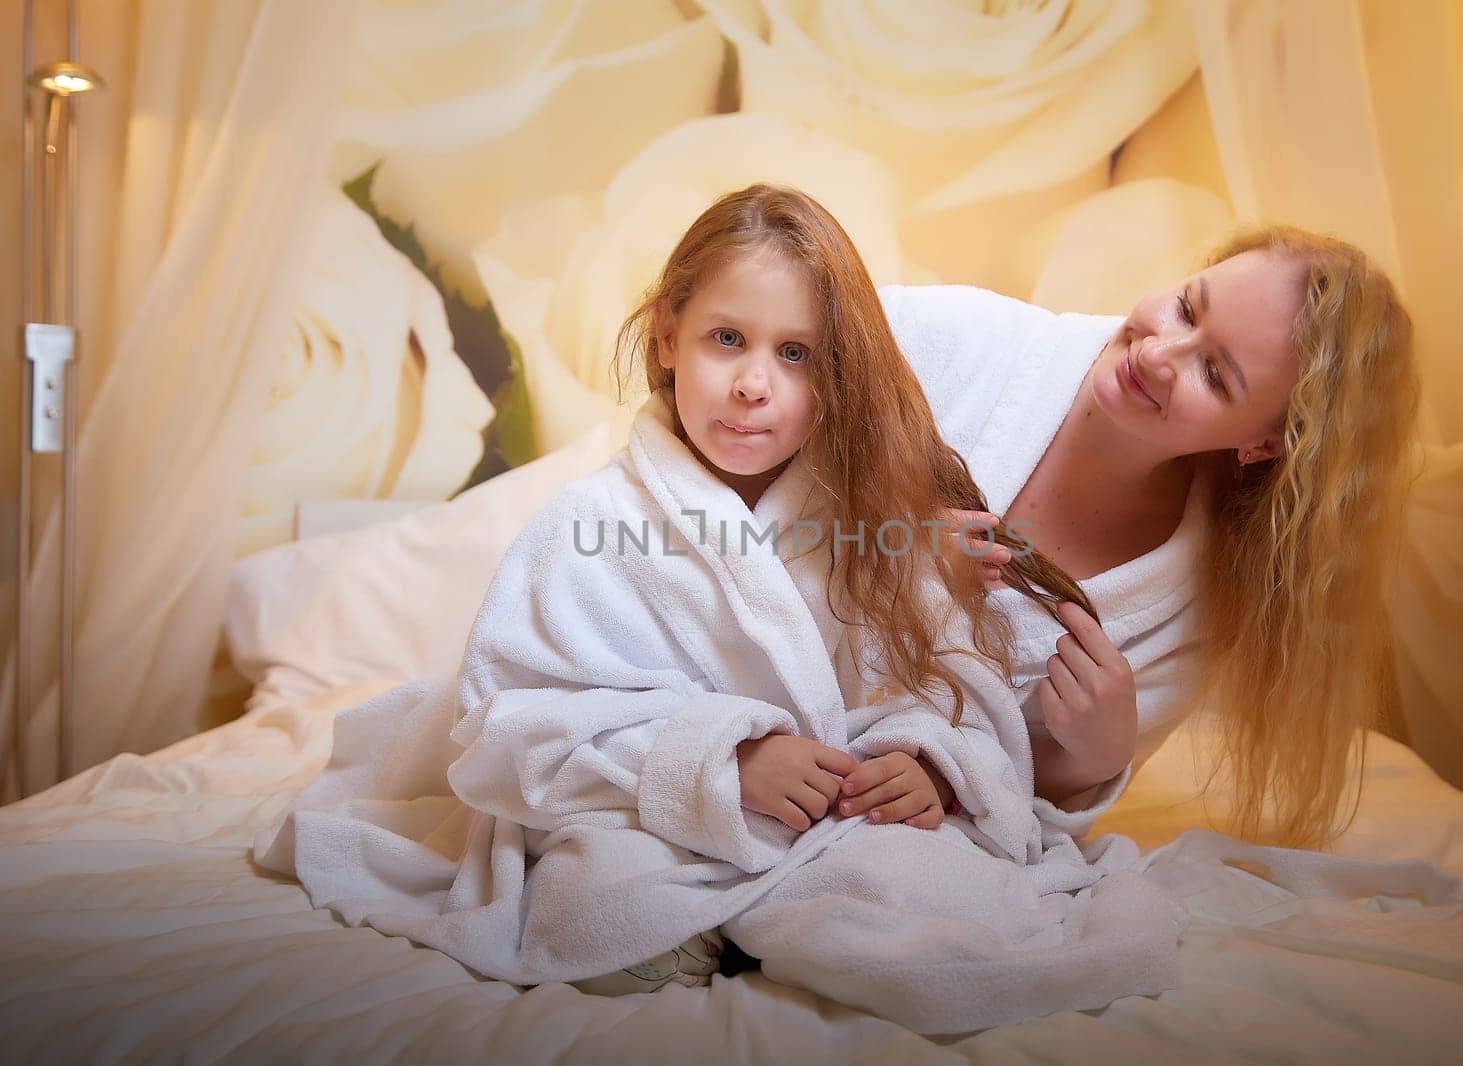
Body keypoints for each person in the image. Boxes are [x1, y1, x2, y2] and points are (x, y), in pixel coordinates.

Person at [258, 185, 1187, 1032]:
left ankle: (778, 923)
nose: (754, 384)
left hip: (828, 825)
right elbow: (513, 729)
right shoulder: (593, 525)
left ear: (839, 376)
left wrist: (929, 768)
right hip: (645, 816)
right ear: (668, 335)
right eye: (727, 340)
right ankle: (700, 927)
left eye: (796, 356)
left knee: (934, 881)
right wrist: (721, 760)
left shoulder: (881, 530)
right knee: (598, 890)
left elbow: (957, 690)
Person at [884, 225, 1420, 847]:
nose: (1157, 355)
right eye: (1187, 307)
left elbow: (1020, 800)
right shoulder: (948, 338)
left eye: (1215, 375)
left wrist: (1095, 759)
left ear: (1262, 444)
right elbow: (746, 517)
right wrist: (888, 549)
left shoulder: (1198, 604)